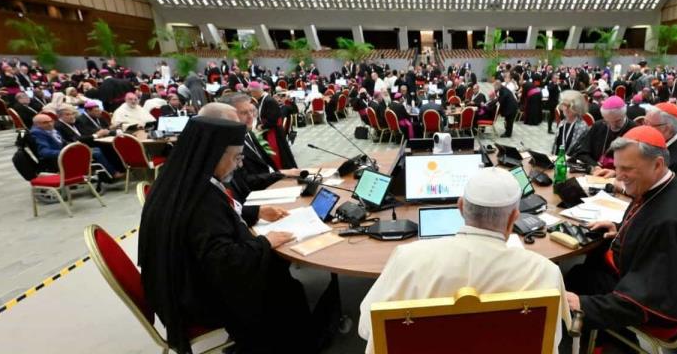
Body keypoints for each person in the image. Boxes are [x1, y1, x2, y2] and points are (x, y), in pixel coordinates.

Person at [138, 115, 323, 354]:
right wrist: (265, 242)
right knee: (285, 286)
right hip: (198, 297)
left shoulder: (182, 180)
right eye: (236, 157)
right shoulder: (201, 201)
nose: (240, 164)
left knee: (278, 270)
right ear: (213, 155)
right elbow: (224, 262)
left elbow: (212, 222)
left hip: (180, 279)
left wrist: (254, 212)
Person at [358, 167, 570, 353]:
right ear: (514, 218)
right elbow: (550, 341)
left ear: (460, 207)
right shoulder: (545, 272)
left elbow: (368, 329)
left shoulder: (405, 259)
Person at [564, 126, 677, 333]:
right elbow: (647, 220)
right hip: (640, 273)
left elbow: (643, 302)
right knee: (584, 266)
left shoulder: (670, 224)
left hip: (650, 304)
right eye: (617, 167)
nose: (618, 177)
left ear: (657, 164)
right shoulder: (669, 186)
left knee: (572, 278)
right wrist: (621, 228)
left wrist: (583, 305)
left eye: (627, 169)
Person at [54, 105, 122, 177]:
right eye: (67, 115)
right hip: (73, 148)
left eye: (72, 114)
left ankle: (120, 168)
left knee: (107, 145)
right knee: (97, 151)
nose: (72, 116)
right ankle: (112, 173)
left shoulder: (72, 122)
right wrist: (95, 135)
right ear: (59, 116)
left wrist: (96, 135)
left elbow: (84, 134)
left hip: (83, 144)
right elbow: (75, 139)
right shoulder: (59, 126)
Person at [574, 96, 636, 171]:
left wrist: (616, 172)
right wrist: (595, 166)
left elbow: (636, 164)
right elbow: (582, 153)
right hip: (595, 175)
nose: (613, 126)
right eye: (607, 121)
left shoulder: (634, 129)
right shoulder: (598, 126)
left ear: (624, 114)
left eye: (617, 121)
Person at [552, 90, 591, 157]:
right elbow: (557, 145)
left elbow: (581, 151)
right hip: (558, 160)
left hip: (573, 162)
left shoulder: (582, 127)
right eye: (564, 105)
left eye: (569, 106)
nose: (566, 109)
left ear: (577, 108)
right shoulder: (562, 123)